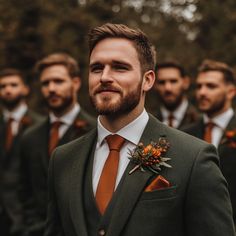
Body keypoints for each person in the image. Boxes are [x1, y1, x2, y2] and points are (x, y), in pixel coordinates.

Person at [45, 23, 235, 236]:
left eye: (120, 67)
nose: (104, 76)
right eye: (96, 68)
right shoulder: (62, 159)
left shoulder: (194, 158)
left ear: (148, 80)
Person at [19, 53, 96, 236]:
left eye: (58, 81)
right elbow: (24, 191)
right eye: (45, 83)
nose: (51, 88)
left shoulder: (96, 130)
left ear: (76, 83)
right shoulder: (29, 137)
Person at [183, 59, 236, 225]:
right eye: (199, 86)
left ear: (231, 92)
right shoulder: (185, 134)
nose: (202, 92)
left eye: (211, 86)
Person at [0, 68, 43, 236]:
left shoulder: (39, 125)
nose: (7, 90)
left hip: (27, 218)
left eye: (13, 85)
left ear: (25, 88)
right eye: (3, 86)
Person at [153, 61, 200, 129]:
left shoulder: (200, 120)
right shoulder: (148, 120)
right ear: (154, 85)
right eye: (162, 82)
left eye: (173, 81)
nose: (167, 88)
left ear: (185, 82)